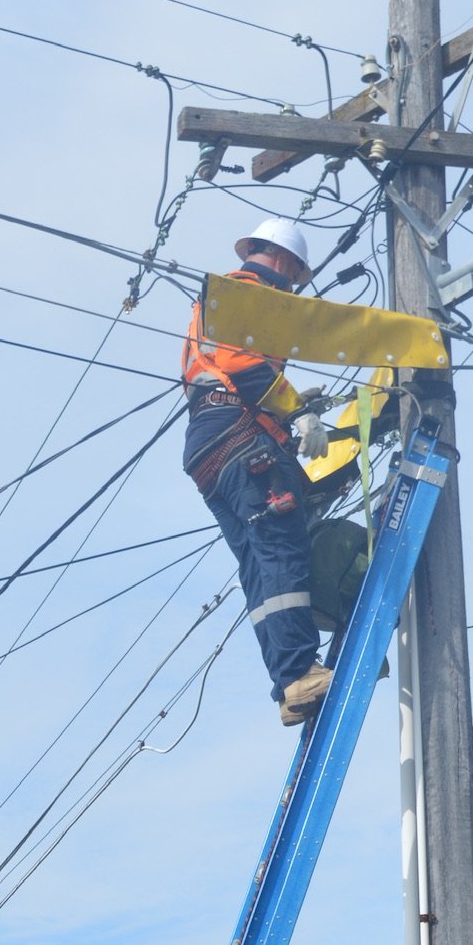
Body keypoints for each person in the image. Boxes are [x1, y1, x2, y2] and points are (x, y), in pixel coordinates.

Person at [182, 217, 337, 727]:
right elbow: (245, 368)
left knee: (258, 565)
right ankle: (299, 672)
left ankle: (290, 687)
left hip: (209, 448)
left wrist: (291, 407)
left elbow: (234, 371)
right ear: (285, 261)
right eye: (295, 274)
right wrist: (296, 412)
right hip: (241, 438)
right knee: (280, 549)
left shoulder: (216, 300)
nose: (294, 286)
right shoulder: (248, 295)